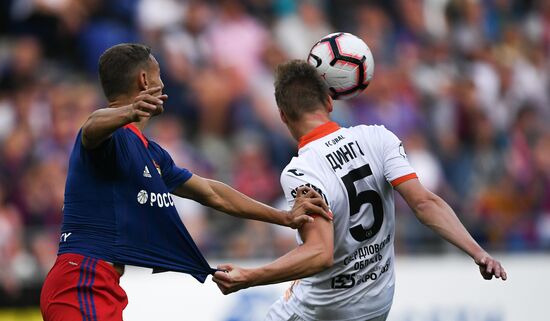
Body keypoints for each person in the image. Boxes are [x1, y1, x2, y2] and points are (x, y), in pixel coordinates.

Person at [40, 44, 331, 321]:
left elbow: (212, 193)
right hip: (81, 280)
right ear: (144, 80)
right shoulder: (109, 138)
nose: (163, 84)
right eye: (159, 75)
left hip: (101, 284)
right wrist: (129, 112)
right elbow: (91, 127)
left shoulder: (151, 153)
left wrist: (284, 217)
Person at [212, 60, 507, 321]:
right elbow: (425, 203)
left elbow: (319, 253)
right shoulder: (378, 137)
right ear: (329, 102)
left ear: (283, 116)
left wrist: (249, 277)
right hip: (378, 302)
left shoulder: (301, 171)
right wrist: (478, 252)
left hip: (325, 309)